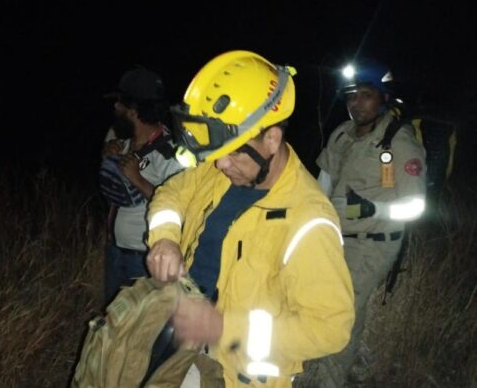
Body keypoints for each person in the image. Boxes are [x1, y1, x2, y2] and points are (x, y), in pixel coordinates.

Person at [145, 50, 355, 387]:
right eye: (215, 155)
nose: (219, 165)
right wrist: (166, 238)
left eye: (231, 154)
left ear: (271, 138)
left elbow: (330, 328)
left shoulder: (309, 221)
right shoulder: (223, 170)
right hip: (182, 352)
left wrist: (223, 327)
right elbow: (170, 194)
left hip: (238, 376)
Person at [309, 59, 427, 386]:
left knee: (343, 311)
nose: (356, 103)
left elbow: (416, 207)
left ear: (383, 99)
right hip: (336, 238)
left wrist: (370, 210)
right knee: (334, 306)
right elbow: (322, 187)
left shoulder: (399, 141)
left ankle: (327, 382)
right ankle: (327, 365)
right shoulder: (341, 134)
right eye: (351, 96)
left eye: (366, 95)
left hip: (374, 245)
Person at [99, 67, 184, 305]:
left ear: (135, 110)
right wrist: (108, 158)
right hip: (115, 251)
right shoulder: (118, 138)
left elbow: (181, 205)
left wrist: (138, 179)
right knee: (112, 327)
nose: (115, 108)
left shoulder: (170, 153)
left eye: (120, 104)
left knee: (140, 332)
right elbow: (112, 190)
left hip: (145, 258)